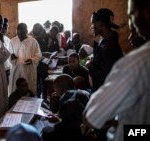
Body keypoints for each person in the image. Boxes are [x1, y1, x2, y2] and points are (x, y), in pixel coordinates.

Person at [83, 1, 150, 141]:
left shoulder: (134, 60)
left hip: (107, 100)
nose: (131, 23)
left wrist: (91, 69)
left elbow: (92, 115)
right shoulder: (104, 43)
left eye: (132, 15)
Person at [42, 74, 90, 141]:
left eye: (55, 89)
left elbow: (70, 127)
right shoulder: (83, 94)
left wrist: (58, 120)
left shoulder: (66, 99)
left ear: (59, 89)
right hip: (88, 129)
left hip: (77, 135)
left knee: (46, 130)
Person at [88, 8, 123, 93]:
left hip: (104, 93)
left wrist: (90, 68)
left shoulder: (110, 47)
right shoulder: (104, 42)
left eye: (93, 23)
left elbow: (107, 77)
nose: (92, 27)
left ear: (101, 24)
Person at [9, 23, 42, 95]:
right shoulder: (12, 41)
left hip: (28, 71)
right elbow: (9, 55)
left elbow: (39, 55)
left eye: (22, 34)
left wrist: (32, 60)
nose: (20, 36)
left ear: (26, 31)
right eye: (18, 34)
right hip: (16, 70)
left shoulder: (33, 41)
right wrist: (12, 57)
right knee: (15, 91)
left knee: (29, 89)